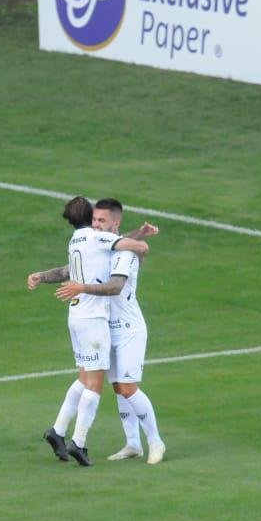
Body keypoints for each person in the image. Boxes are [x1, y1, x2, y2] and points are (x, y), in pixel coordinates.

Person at [27, 196, 149, 466]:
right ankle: (79, 443)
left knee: (84, 377)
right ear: (90, 217)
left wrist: (41, 276)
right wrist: (141, 243)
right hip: (94, 319)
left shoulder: (77, 241)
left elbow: (101, 248)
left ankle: (57, 431)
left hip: (76, 316)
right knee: (94, 384)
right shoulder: (97, 238)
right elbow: (125, 244)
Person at [56, 198, 165, 465]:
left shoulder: (126, 255)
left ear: (114, 223)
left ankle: (155, 441)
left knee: (128, 388)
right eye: (94, 220)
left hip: (129, 329)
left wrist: (81, 288)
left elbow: (115, 287)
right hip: (106, 327)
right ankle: (132, 444)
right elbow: (108, 243)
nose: (95, 225)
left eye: (101, 221)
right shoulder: (103, 247)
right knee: (117, 388)